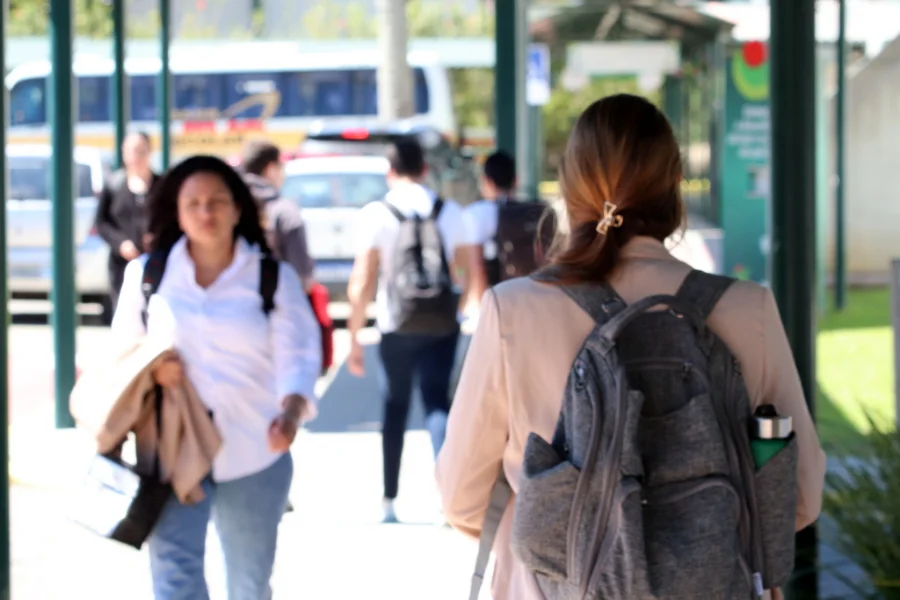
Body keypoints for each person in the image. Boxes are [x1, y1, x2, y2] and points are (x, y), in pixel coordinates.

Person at [435, 94, 826, 600]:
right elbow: (799, 496)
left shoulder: (513, 311)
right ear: (673, 189)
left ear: (572, 188)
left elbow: (461, 497)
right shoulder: (749, 309)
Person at [111, 155, 322, 600]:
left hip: (253, 449)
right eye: (194, 203)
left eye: (217, 201)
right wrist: (152, 368)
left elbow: (299, 356)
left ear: (238, 208)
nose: (206, 213)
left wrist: (291, 414)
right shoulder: (147, 277)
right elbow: (121, 356)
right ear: (177, 211)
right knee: (174, 577)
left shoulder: (271, 278)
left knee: (248, 584)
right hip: (171, 451)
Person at [346, 138, 477, 524]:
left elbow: (363, 281)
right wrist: (458, 306)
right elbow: (468, 272)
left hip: (394, 324)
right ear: (425, 169)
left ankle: (389, 501)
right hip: (442, 324)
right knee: (437, 404)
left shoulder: (377, 212)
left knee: (394, 407)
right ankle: (447, 497)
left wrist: (354, 336)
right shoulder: (450, 211)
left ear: (391, 171)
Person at [95, 132, 159, 311]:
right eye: (131, 151)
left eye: (141, 151)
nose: (136, 157)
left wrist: (156, 238)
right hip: (122, 264)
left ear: (149, 152)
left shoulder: (161, 185)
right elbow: (101, 223)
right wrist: (121, 243)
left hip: (154, 263)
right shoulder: (114, 185)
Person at [240, 140, 316, 290]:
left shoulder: (227, 207)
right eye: (281, 167)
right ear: (271, 168)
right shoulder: (284, 210)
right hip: (276, 303)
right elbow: (302, 275)